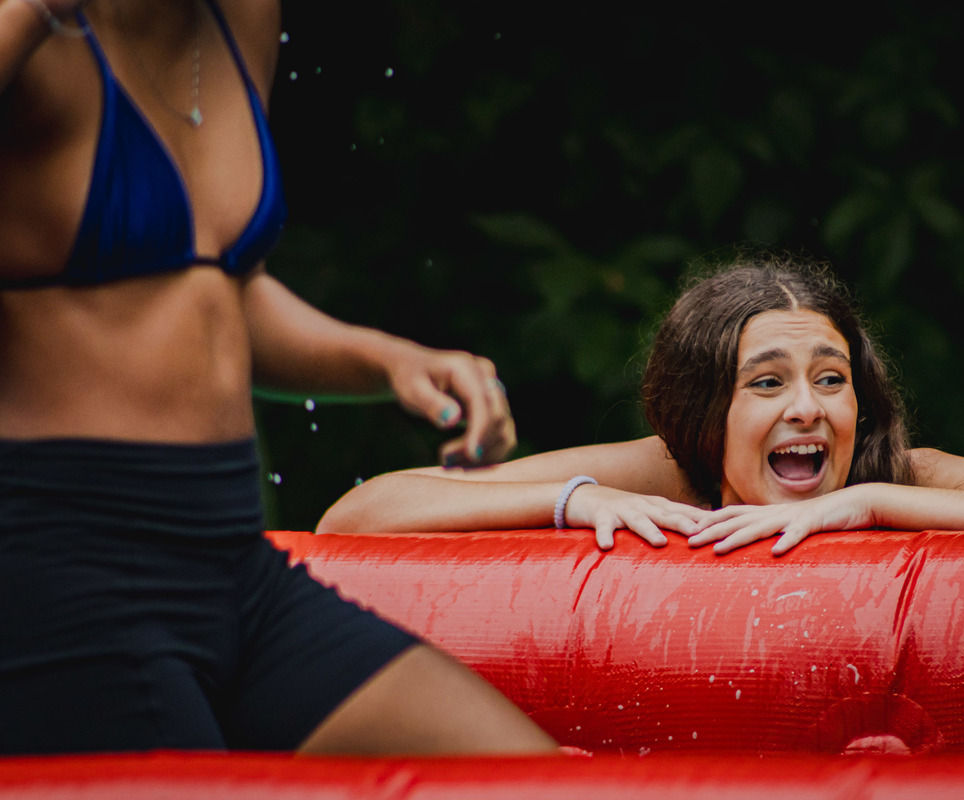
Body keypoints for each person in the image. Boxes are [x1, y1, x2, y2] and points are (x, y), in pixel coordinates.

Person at [0, 0, 556, 755]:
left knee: (522, 772)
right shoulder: (33, 28)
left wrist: (392, 360)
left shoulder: (241, 18)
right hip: (65, 569)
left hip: (232, 567)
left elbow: (208, 288)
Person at [317, 254, 964, 553]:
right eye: (767, 382)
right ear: (702, 409)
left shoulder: (896, 474)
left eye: (831, 379)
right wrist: (572, 500)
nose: (808, 409)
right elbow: (358, 515)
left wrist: (871, 504)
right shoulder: (665, 473)